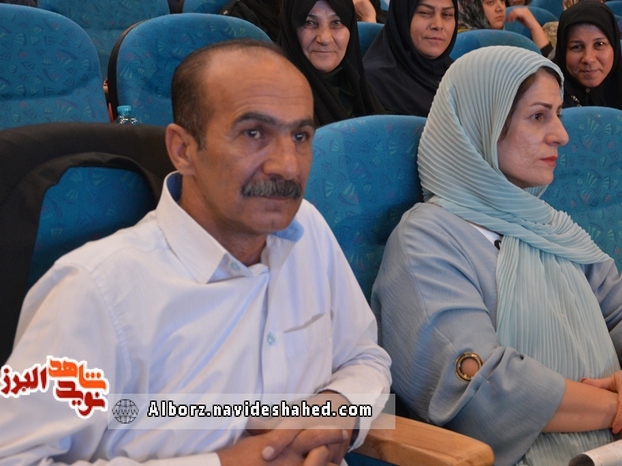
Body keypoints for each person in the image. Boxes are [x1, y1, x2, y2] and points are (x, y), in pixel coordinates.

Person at [0, 40, 391, 465]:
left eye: (300, 136)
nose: (288, 165)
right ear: (183, 150)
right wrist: (227, 462)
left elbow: (364, 356)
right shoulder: (96, 289)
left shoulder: (307, 228)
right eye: (253, 133)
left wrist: (337, 408)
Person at [371, 45, 622, 465]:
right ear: (483, 126)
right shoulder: (426, 239)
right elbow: (482, 389)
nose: (561, 134)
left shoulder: (547, 224)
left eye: (558, 114)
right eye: (538, 116)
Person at [553, 1, 622, 136]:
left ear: (614, 46)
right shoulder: (548, 102)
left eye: (599, 44)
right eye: (576, 47)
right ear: (563, 51)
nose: (588, 58)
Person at [278, 0, 384, 126]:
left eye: (336, 23)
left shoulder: (356, 87)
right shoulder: (274, 100)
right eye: (309, 22)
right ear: (290, 29)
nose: (325, 39)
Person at [363, 0, 458, 117]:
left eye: (447, 14)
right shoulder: (376, 82)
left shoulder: (458, 73)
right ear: (402, 17)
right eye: (425, 12)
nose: (438, 25)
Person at [457, 0, 554, 56]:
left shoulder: (506, 38)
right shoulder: (461, 45)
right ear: (472, 7)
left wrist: (534, 27)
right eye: (490, 2)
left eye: (502, 1)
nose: (500, 8)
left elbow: (550, 68)